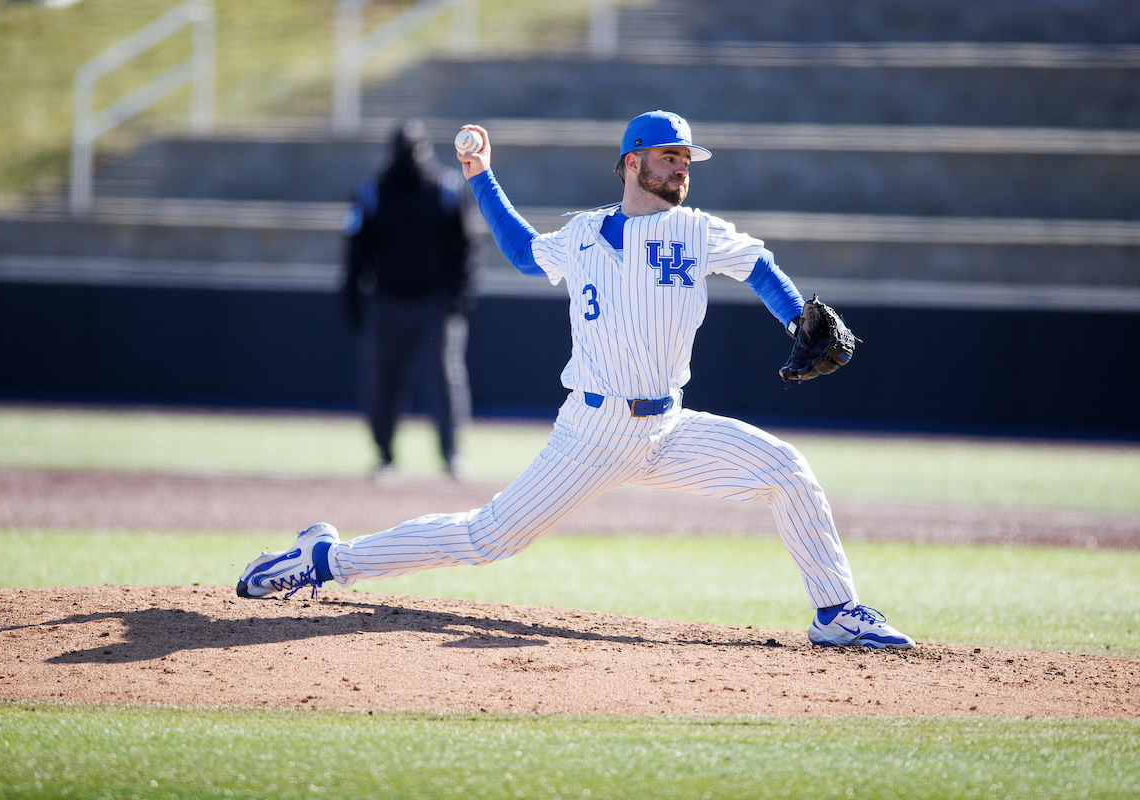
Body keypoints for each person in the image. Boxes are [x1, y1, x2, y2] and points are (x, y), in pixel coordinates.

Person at [241, 111, 915, 650]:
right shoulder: (585, 235)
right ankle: (327, 560)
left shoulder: (696, 232)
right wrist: (480, 174)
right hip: (592, 432)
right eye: (668, 156)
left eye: (686, 160)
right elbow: (521, 250)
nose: (681, 168)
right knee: (486, 539)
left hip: (667, 426)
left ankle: (836, 612)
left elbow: (760, 266)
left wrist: (800, 316)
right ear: (632, 162)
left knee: (786, 472)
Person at [342, 120, 474, 480]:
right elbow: (356, 251)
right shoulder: (371, 191)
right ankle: (385, 455)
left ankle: (451, 454)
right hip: (387, 301)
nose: (409, 158)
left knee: (445, 378)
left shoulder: (446, 188)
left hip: (435, 302)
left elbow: (465, 248)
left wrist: (460, 297)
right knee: (382, 381)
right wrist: (352, 296)